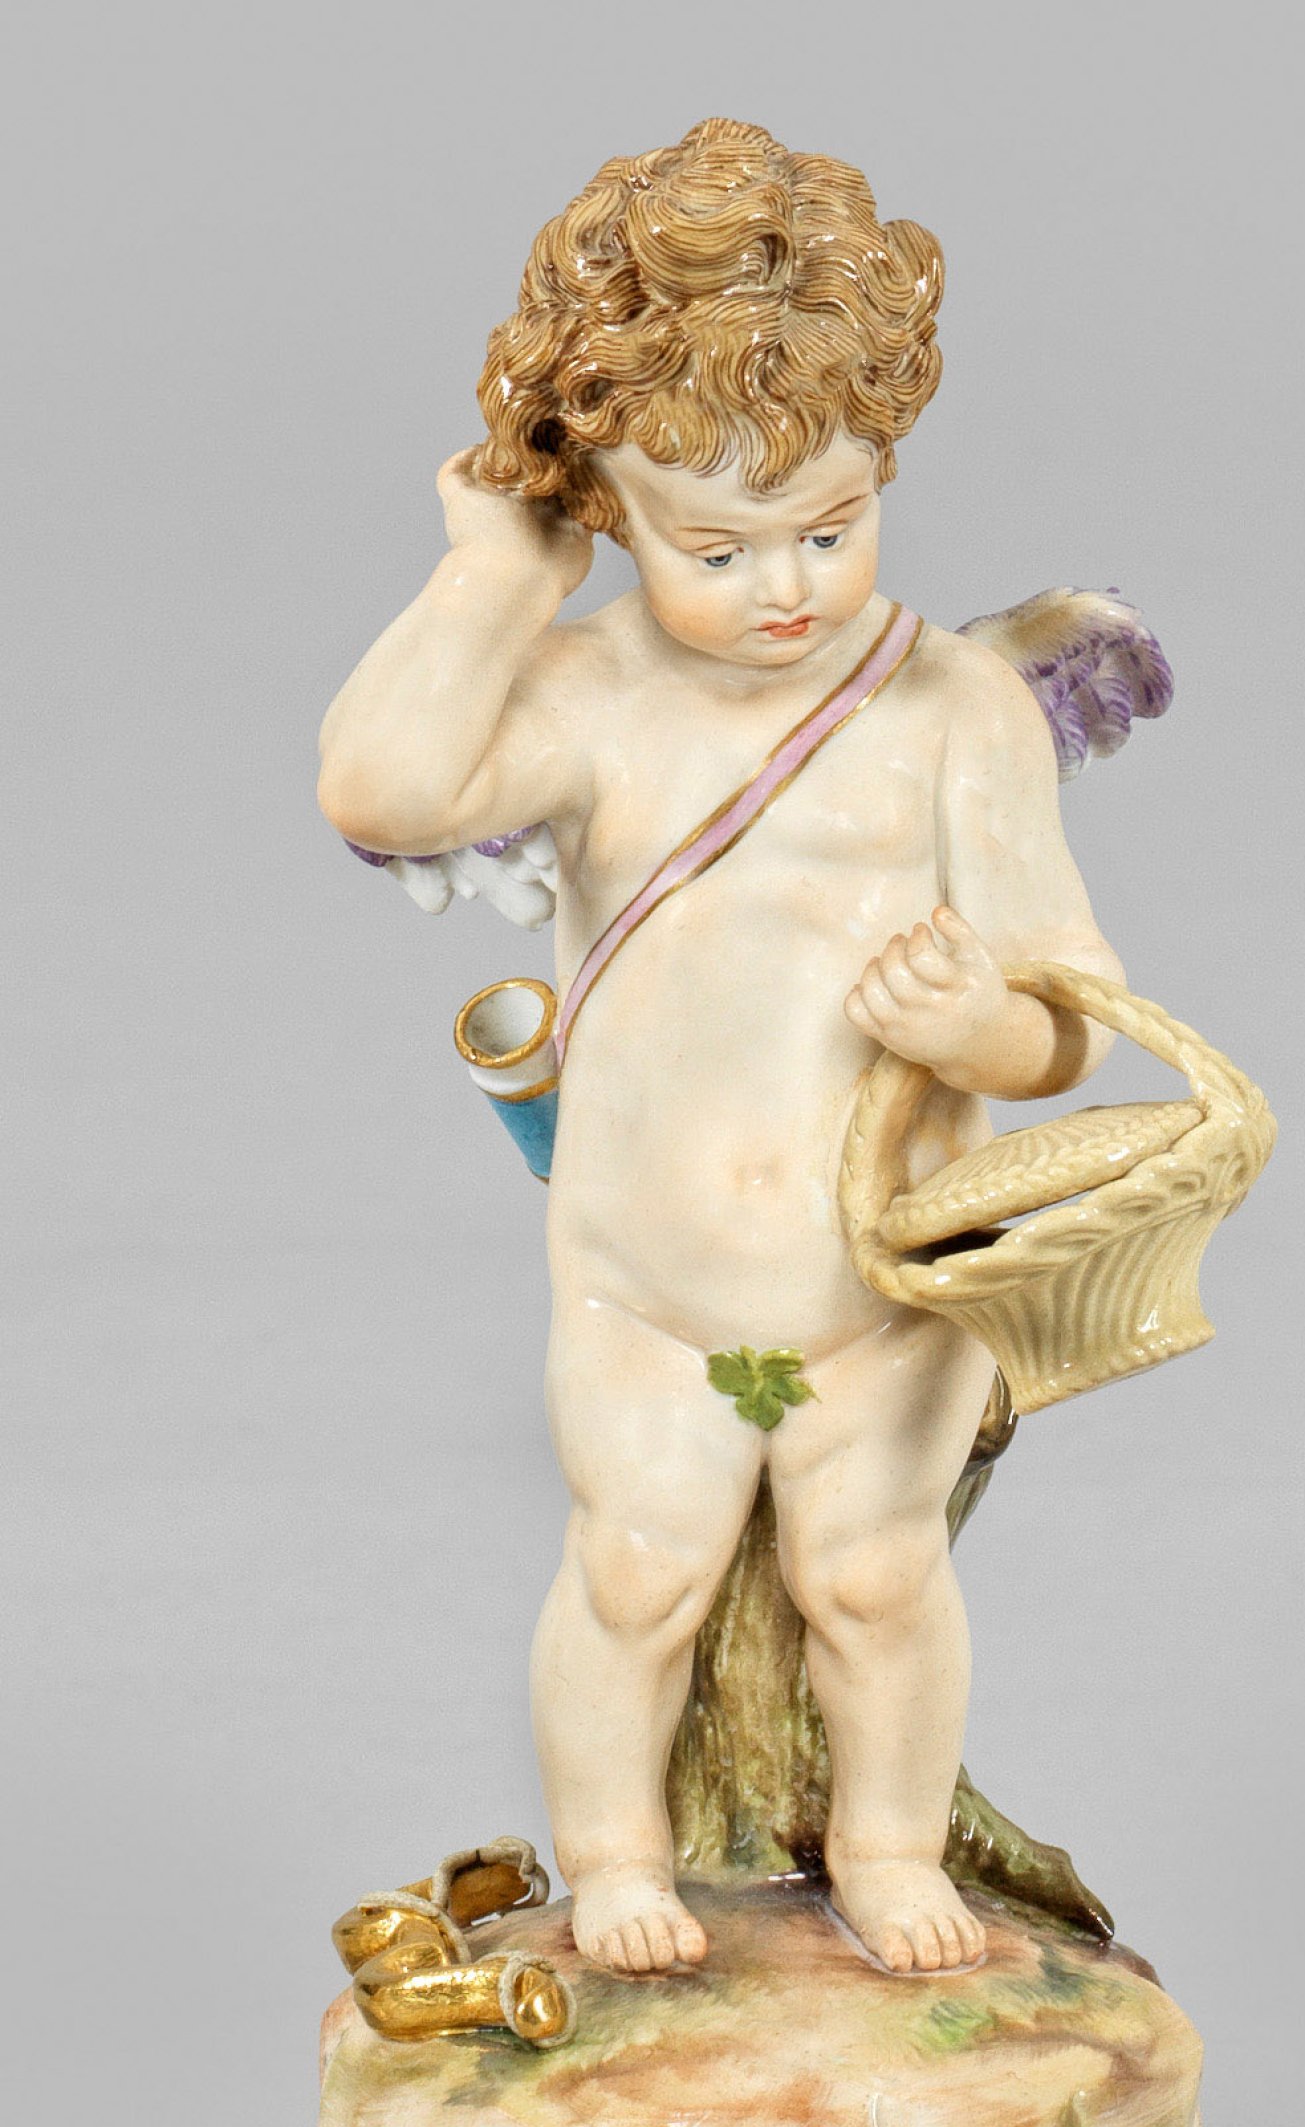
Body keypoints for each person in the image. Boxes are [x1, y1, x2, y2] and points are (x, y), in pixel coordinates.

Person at [318, 118, 1124, 1980]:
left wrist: (985, 1025)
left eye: (830, 528)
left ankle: (890, 1845)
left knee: (877, 1579)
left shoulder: (955, 708)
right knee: (634, 1572)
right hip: (645, 1285)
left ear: (883, 469)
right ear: (610, 507)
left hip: (881, 1280)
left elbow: (1073, 1012)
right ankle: (614, 1857)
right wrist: (497, 579)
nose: (785, 588)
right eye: (717, 546)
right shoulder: (595, 694)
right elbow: (382, 790)